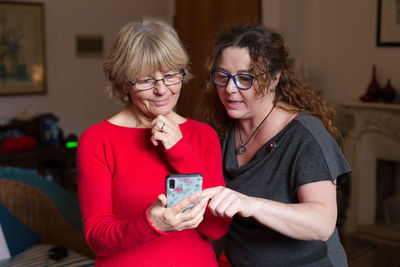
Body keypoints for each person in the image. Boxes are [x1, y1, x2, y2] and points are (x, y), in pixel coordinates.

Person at [77, 18, 230, 267]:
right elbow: (96, 238)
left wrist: (180, 150)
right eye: (146, 80)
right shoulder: (97, 140)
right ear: (124, 83)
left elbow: (216, 227)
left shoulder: (203, 135)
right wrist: (151, 225)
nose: (162, 90)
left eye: (170, 75)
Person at [201, 25, 352, 267]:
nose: (230, 89)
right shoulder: (221, 131)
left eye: (244, 78)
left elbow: (322, 223)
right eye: (222, 76)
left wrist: (250, 204)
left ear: (274, 79)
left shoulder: (304, 135)